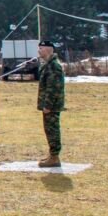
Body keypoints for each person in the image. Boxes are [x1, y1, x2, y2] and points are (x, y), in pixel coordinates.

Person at [36, 40, 65, 168]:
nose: (39, 51)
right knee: (49, 129)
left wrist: (47, 105)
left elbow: (53, 88)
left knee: (52, 130)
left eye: (41, 48)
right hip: (48, 104)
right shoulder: (48, 64)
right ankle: (52, 155)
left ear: (48, 50)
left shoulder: (54, 66)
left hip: (51, 105)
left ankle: (54, 157)